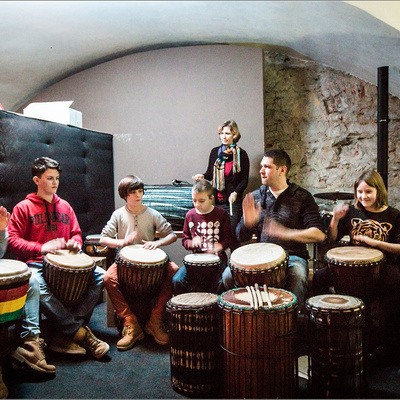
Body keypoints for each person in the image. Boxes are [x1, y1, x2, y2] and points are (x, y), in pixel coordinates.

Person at [7, 157, 109, 364]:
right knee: (35, 284)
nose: (55, 182)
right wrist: (41, 247)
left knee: (101, 275)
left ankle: (66, 333)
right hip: (35, 263)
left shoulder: (66, 207)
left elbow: (77, 233)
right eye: (49, 178)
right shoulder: (23, 208)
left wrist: (76, 243)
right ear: (37, 180)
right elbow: (12, 241)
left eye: (57, 178)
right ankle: (79, 333)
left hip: (65, 263)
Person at [313, 169, 400, 362]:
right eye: (360, 192)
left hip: (381, 267)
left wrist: (377, 243)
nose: (363, 196)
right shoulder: (353, 212)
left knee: (394, 283)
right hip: (350, 266)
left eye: (368, 192)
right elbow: (331, 240)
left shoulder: (393, 215)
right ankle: (321, 334)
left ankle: (389, 346)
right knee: (319, 277)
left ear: (379, 191)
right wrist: (335, 219)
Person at [228, 149, 326, 308]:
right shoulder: (256, 196)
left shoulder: (302, 197)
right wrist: (248, 223)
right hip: (260, 258)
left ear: (282, 170)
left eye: (267, 167)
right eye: (261, 166)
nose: (261, 171)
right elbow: (239, 236)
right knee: (227, 275)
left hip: (293, 257)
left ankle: (289, 327)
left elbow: (319, 234)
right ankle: (248, 324)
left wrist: (285, 233)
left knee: (298, 275)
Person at [100, 175, 179, 350]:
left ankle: (156, 320)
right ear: (124, 195)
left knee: (174, 270)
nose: (138, 195)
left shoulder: (152, 213)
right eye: (133, 192)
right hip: (124, 261)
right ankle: (131, 323)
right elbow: (104, 239)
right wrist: (120, 243)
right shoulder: (118, 214)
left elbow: (172, 235)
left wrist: (157, 243)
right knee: (108, 278)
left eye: (140, 191)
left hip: (152, 261)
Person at [172, 179, 240, 295]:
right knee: (177, 281)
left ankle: (215, 311)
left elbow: (230, 239)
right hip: (195, 261)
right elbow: (185, 240)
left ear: (211, 199)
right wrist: (192, 243)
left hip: (217, 260)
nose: (197, 204)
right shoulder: (190, 215)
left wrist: (220, 246)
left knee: (221, 283)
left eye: (201, 201)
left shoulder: (221, 214)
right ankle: (185, 310)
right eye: (194, 200)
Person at [193, 120, 249, 231]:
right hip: (215, 202)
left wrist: (236, 193)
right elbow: (210, 174)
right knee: (215, 233)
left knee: (230, 233)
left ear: (234, 135)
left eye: (227, 133)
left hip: (232, 203)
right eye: (222, 133)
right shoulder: (215, 152)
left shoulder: (241, 154)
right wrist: (202, 176)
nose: (224, 136)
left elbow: (244, 180)